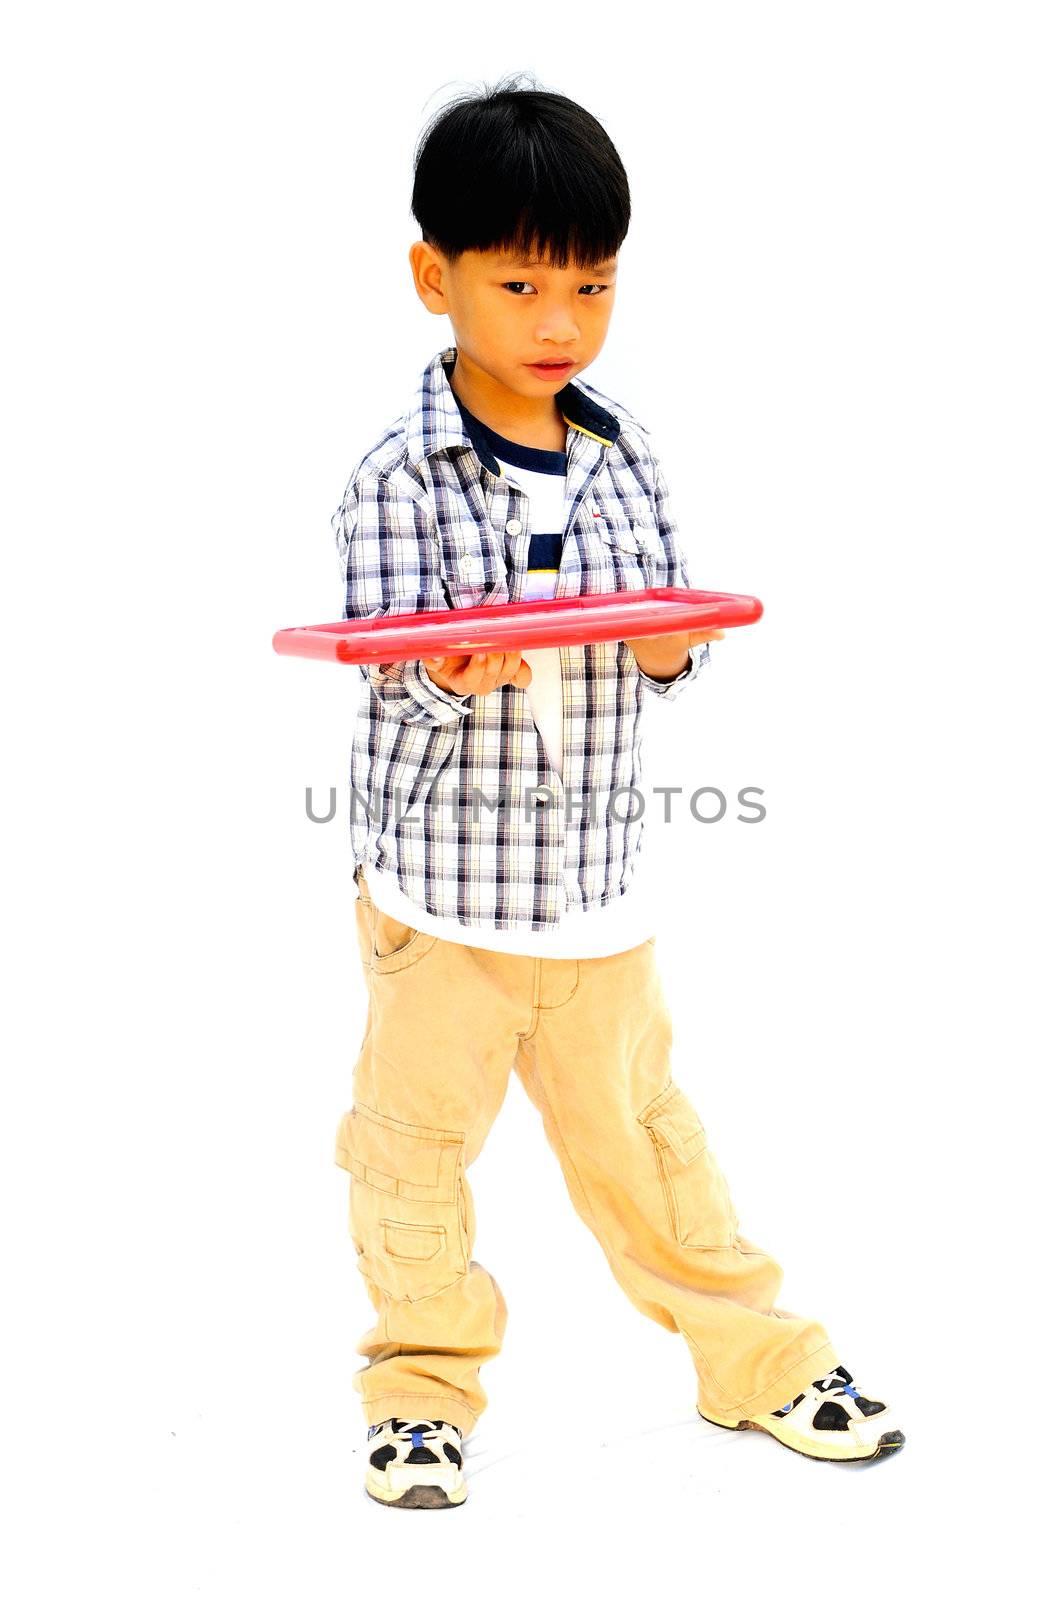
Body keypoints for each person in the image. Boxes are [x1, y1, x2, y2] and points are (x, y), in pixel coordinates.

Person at [330, 73, 903, 1510]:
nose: (556, 323)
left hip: (595, 899)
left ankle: (756, 1362)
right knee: (411, 1162)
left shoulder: (625, 448)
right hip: (442, 900)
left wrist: (666, 648)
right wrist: (447, 669)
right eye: (518, 282)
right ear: (433, 279)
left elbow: (659, 642)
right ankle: (420, 1393)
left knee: (652, 1149)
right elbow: (382, 667)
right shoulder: (396, 474)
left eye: (589, 287)